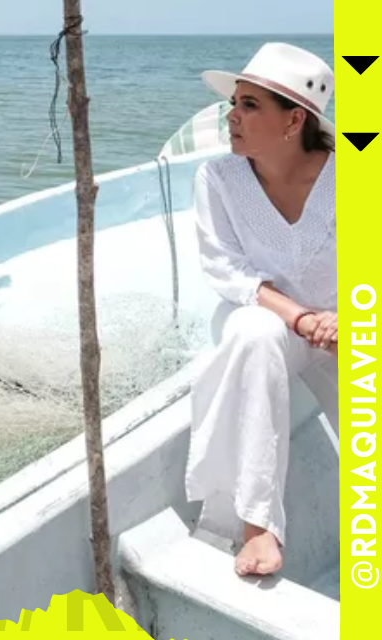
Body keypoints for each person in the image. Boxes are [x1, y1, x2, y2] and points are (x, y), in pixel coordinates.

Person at [184, 43, 337, 577]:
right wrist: (296, 315)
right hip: (267, 318)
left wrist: (347, 318)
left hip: (345, 326)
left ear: (295, 120)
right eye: (235, 103)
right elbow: (225, 269)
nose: (232, 115)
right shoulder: (219, 179)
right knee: (254, 335)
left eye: (249, 105)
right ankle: (258, 526)